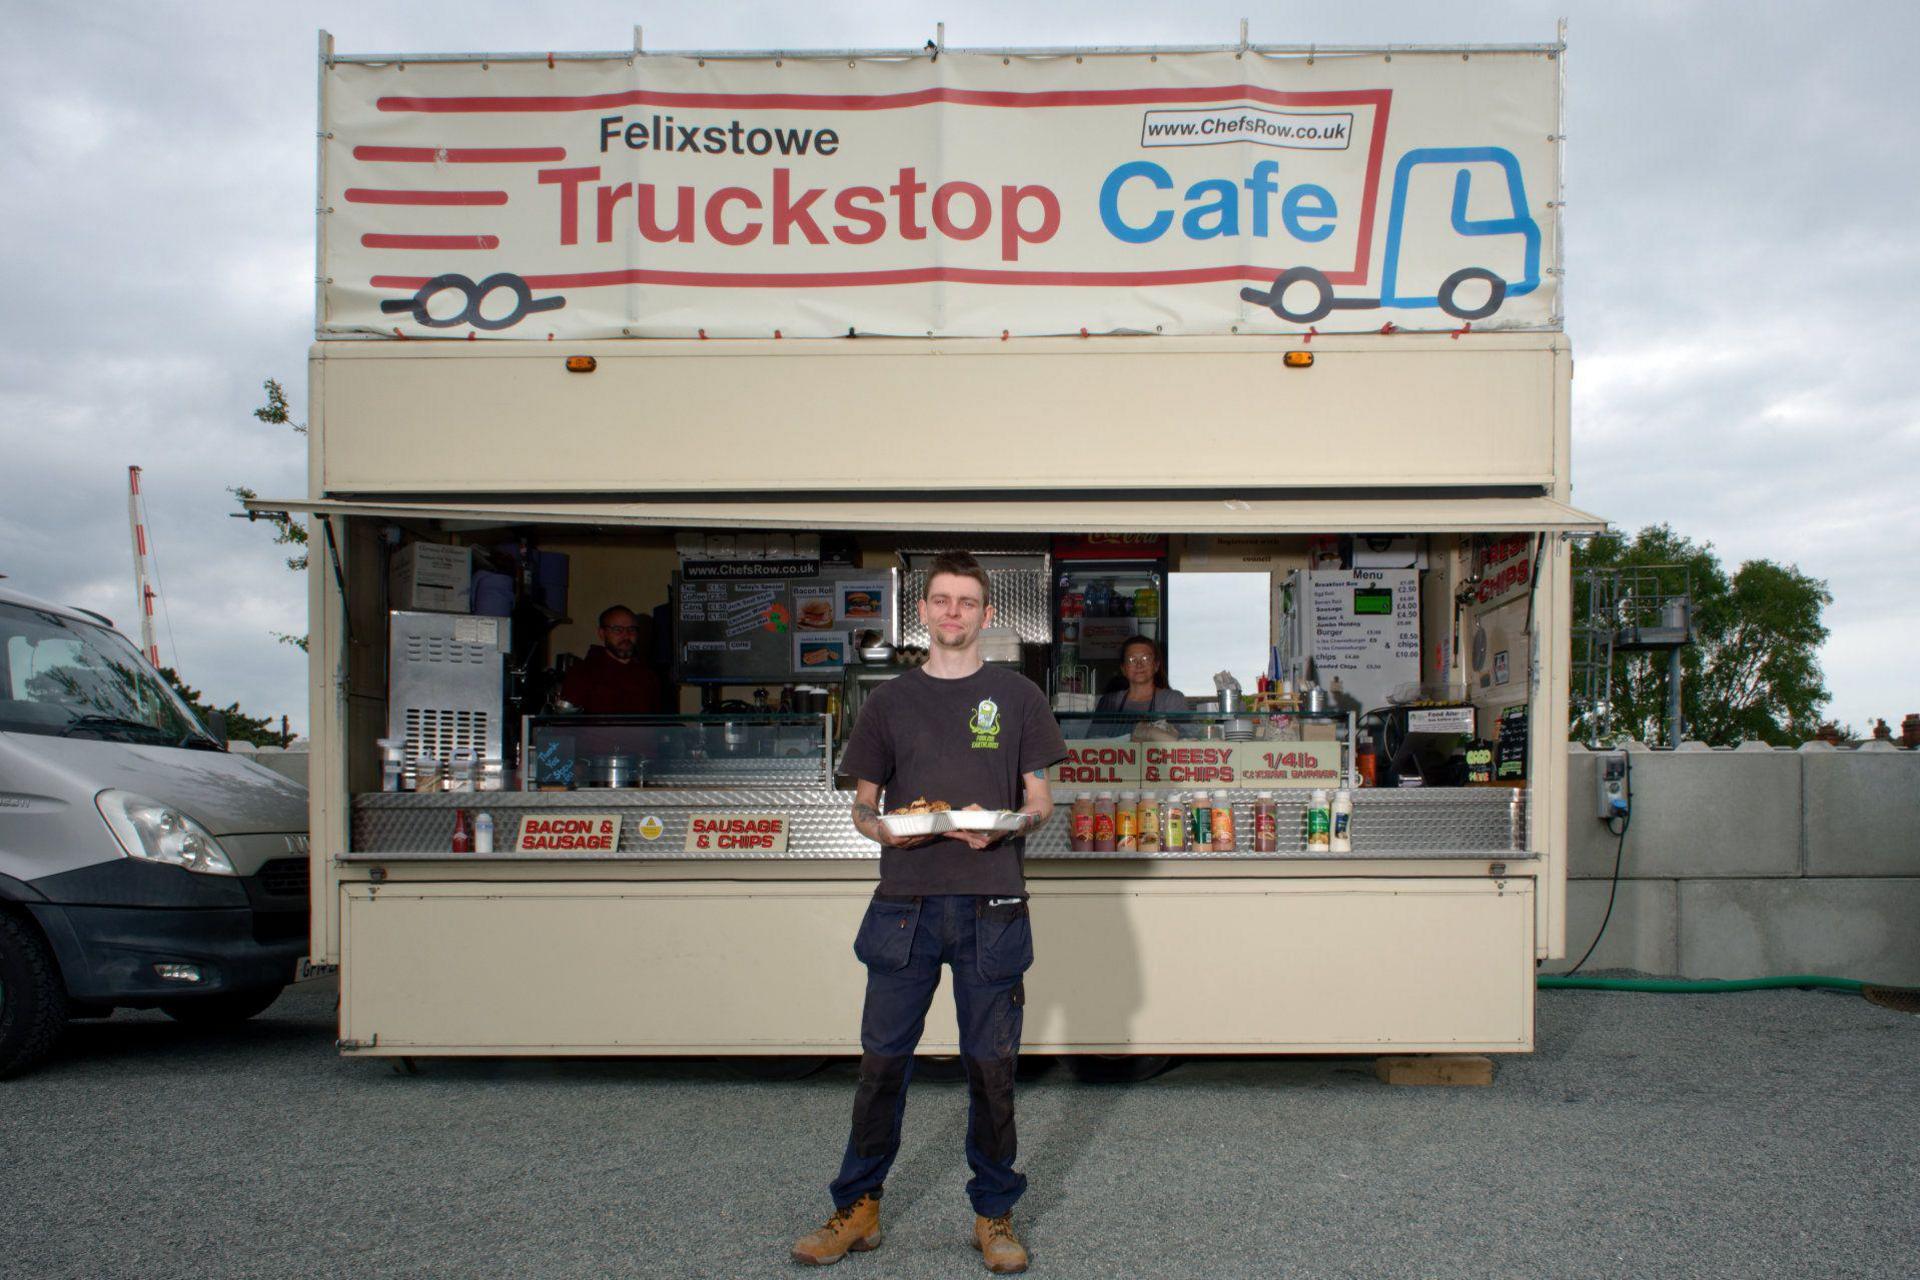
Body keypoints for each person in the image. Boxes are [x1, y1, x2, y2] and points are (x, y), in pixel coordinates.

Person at [791, 552, 1067, 1275]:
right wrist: (876, 826)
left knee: (992, 1069)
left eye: (966, 602)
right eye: (941, 601)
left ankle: (994, 1214)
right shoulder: (887, 702)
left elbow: (1039, 801)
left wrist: (1009, 825)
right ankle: (858, 1208)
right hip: (903, 906)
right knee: (882, 1064)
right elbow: (863, 801)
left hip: (993, 907)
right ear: (923, 613)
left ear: (988, 614)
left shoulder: (1018, 697)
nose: (952, 613)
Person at [557, 605, 661, 714]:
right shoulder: (583, 673)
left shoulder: (648, 676)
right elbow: (566, 721)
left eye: (631, 629)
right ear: (602, 633)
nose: (626, 635)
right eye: (617, 630)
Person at [1089, 634, 1188, 737]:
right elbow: (1092, 742)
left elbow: (1184, 743)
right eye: (1132, 660)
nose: (1139, 665)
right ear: (1123, 668)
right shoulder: (1109, 701)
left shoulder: (1172, 699)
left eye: (1146, 659)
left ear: (1156, 666)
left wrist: (1151, 732)